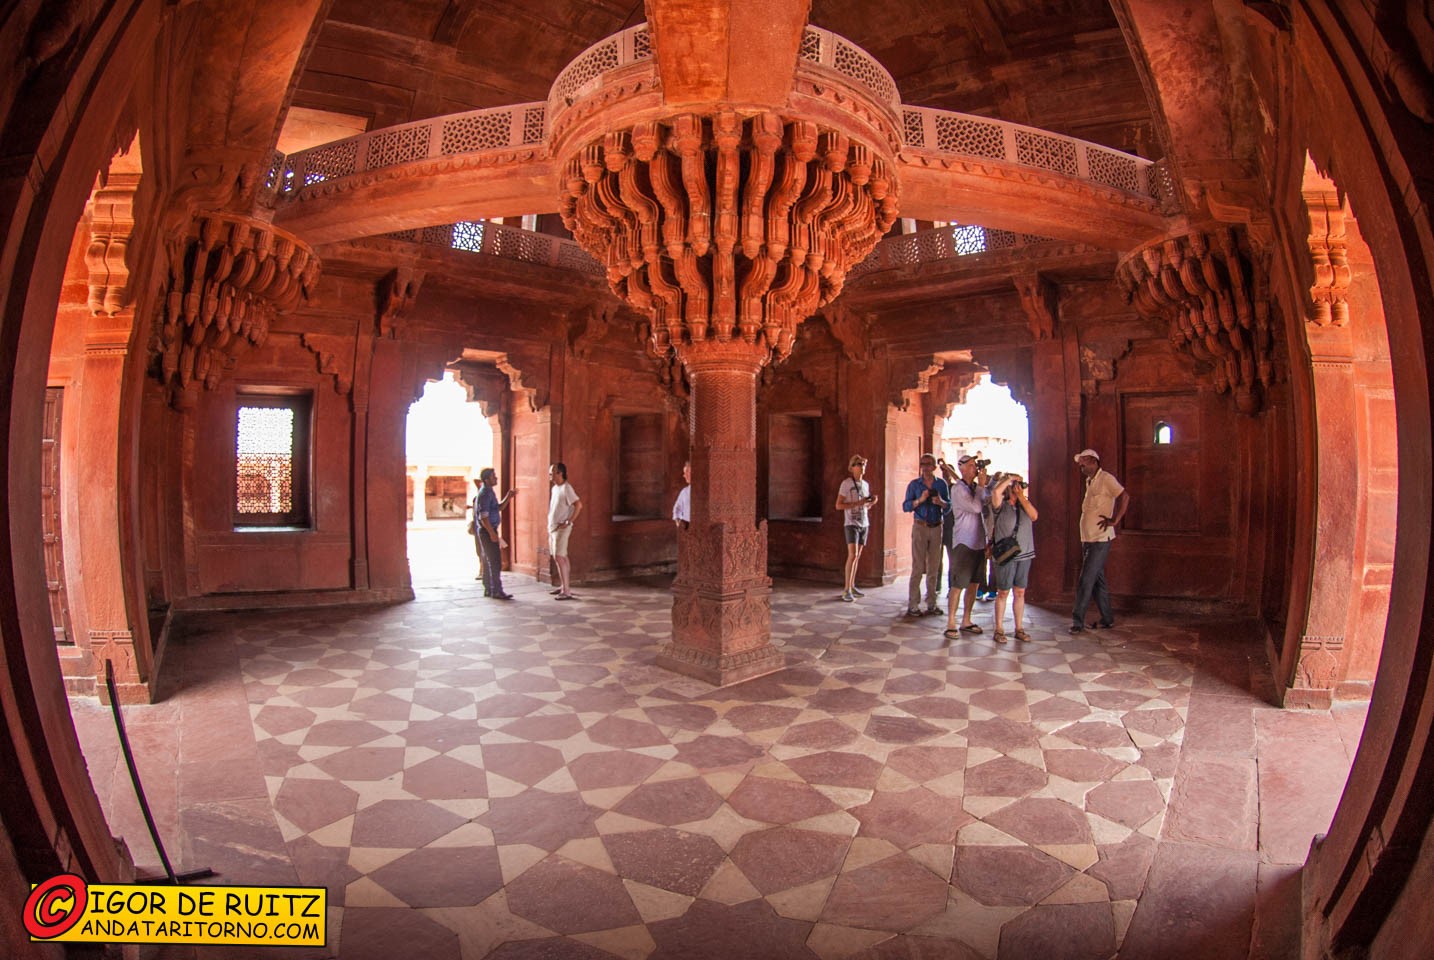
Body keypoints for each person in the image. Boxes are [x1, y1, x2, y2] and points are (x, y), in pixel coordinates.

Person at [1071, 448, 1129, 633]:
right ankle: (1107, 618)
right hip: (1087, 539)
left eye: (1084, 461)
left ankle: (1077, 622)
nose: (1081, 465)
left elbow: (1124, 496)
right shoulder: (1090, 482)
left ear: (1094, 461)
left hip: (1100, 539)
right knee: (1097, 581)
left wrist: (1116, 520)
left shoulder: (1106, 479)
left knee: (1086, 580)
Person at [940, 454, 990, 639]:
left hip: (978, 542)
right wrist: (982, 487)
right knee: (958, 583)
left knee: (974, 584)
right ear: (961, 468)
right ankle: (951, 621)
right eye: (970, 465)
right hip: (964, 542)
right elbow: (976, 507)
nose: (974, 468)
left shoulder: (975, 487)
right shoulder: (958, 490)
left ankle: (966, 620)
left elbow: (986, 505)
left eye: (974, 465)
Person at [987, 473, 1038, 642]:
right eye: (1015, 485)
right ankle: (999, 629)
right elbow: (995, 493)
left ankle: (1019, 628)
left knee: (1020, 591)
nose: (1018, 487)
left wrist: (1022, 496)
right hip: (1006, 555)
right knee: (1003, 592)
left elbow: (1034, 516)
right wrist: (1009, 479)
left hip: (1024, 554)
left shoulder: (1025, 504)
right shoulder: (1001, 505)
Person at [902, 453, 949, 617]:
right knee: (917, 566)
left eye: (929, 464)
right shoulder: (914, 485)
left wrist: (941, 502)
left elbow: (949, 507)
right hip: (920, 526)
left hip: (936, 527)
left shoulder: (941, 484)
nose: (926, 467)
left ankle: (931, 602)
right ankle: (913, 603)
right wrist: (919, 500)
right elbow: (906, 506)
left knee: (934, 567)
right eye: (923, 464)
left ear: (934, 466)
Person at [835, 454, 877, 602]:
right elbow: (839, 505)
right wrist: (857, 504)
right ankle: (846, 589)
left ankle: (852, 585)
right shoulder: (846, 484)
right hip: (851, 523)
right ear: (852, 467)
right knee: (852, 555)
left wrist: (870, 503)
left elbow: (864, 506)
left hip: (864, 522)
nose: (862, 467)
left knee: (857, 556)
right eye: (859, 464)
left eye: (864, 464)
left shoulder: (865, 485)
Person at [474, 467, 516, 600]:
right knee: (495, 561)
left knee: (489, 560)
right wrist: (492, 533)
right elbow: (483, 516)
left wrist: (508, 497)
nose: (496, 478)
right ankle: (496, 590)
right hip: (487, 531)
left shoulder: (489, 491)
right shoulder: (485, 493)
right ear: (487, 480)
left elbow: (497, 508)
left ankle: (489, 588)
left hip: (488, 530)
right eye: (493, 476)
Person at [548, 462, 583, 600]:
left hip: (562, 528)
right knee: (561, 556)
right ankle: (564, 586)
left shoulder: (566, 488)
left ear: (560, 473)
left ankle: (566, 591)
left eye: (552, 473)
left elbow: (579, 505)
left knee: (559, 557)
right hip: (553, 527)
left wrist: (569, 521)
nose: (550, 476)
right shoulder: (555, 488)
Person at [672, 461, 691, 530]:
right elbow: (676, 509)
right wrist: (678, 522)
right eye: (684, 473)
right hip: (687, 529)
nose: (684, 475)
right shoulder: (684, 492)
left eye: (686, 472)